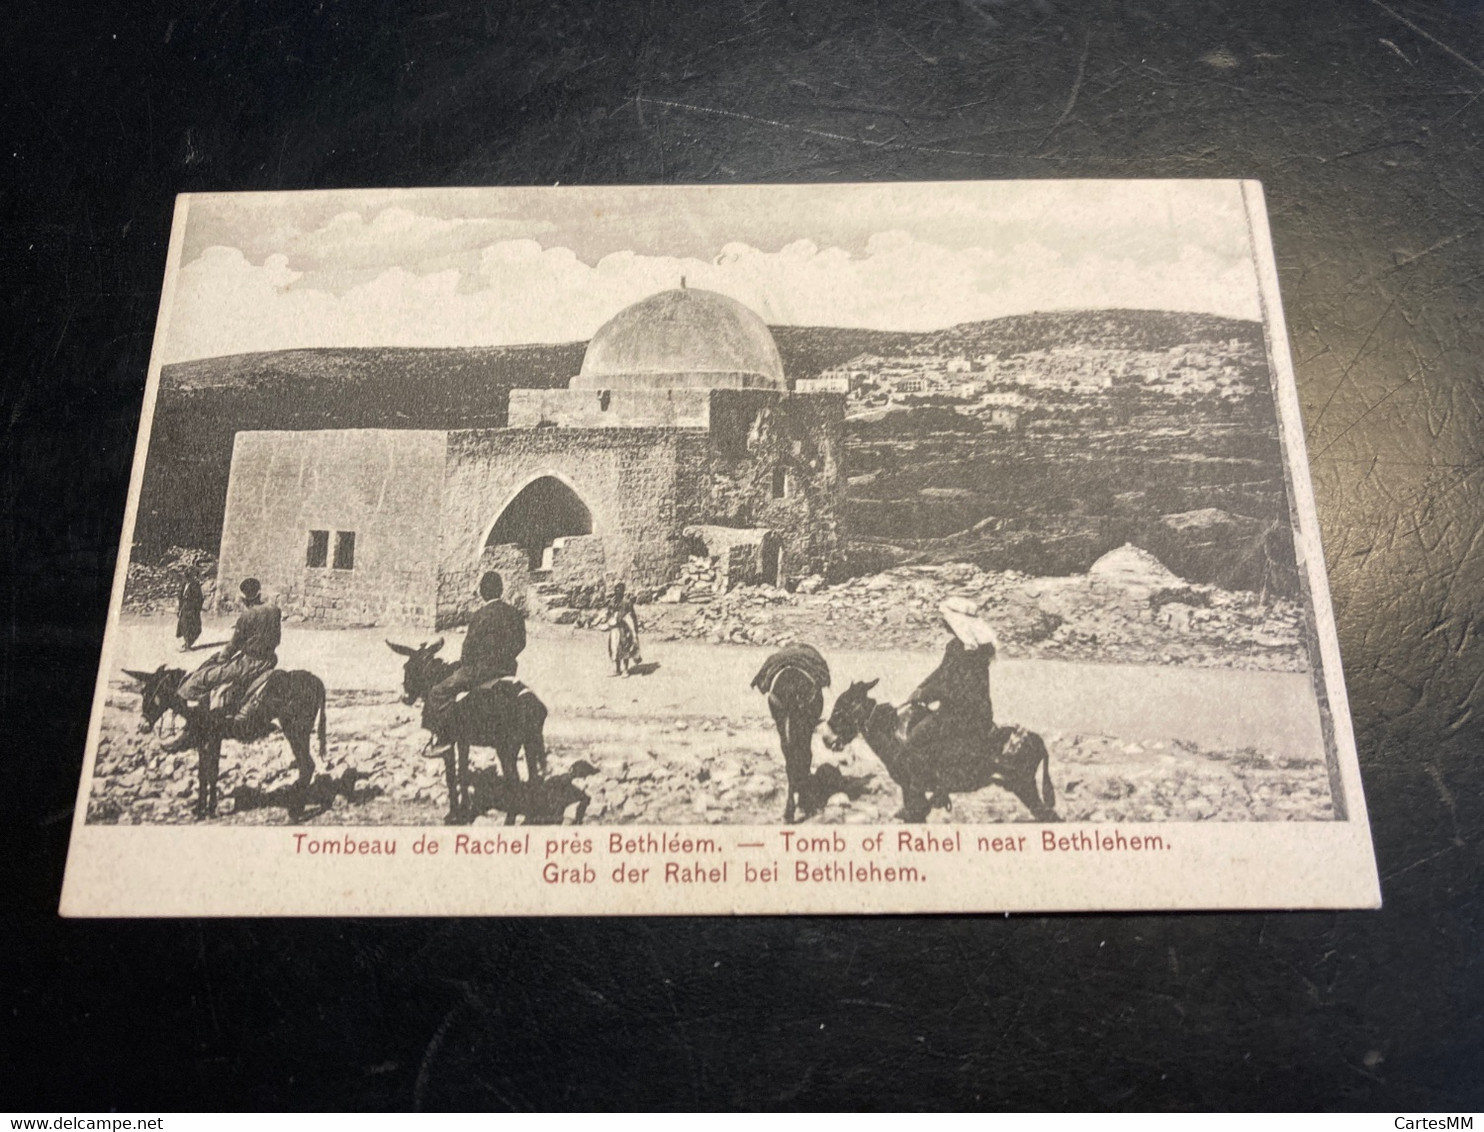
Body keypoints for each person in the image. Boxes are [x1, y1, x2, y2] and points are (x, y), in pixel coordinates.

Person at [164, 578, 281, 749]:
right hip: (269, 658)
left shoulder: (247, 616)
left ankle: (195, 719)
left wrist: (221, 659)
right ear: (259, 593)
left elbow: (234, 645)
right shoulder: (274, 610)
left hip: (249, 662)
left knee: (204, 677)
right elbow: (274, 638)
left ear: (244, 598)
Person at [426, 571, 528, 753]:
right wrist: (505, 658)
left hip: (480, 671)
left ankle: (443, 739)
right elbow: (521, 643)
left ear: (482, 592)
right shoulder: (514, 614)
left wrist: (466, 664)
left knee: (438, 692)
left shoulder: (481, 615)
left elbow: (468, 648)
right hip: (508, 670)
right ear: (501, 590)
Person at [903, 596, 999, 751]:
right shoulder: (956, 646)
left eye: (946, 619)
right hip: (956, 711)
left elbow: (954, 686)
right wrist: (921, 688)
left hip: (966, 715)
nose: (943, 623)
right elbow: (941, 671)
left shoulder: (972, 653)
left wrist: (925, 694)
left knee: (914, 741)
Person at [604, 581, 641, 665]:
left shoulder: (627, 602)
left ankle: (625, 669)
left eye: (620, 590)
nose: (618, 592)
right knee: (615, 648)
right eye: (616, 590)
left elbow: (633, 616)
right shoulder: (612, 602)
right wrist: (610, 619)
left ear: (623, 591)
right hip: (615, 628)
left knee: (625, 648)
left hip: (624, 629)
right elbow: (608, 614)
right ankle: (618, 669)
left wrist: (634, 629)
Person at [175, 568, 204, 651]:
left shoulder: (195, 585)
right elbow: (180, 597)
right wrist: (179, 609)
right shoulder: (184, 585)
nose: (186, 578)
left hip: (192, 610)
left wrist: (196, 609)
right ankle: (187, 643)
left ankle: (188, 644)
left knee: (192, 627)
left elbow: (200, 598)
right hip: (184, 609)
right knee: (184, 626)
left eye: (188, 576)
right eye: (186, 576)